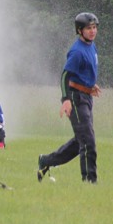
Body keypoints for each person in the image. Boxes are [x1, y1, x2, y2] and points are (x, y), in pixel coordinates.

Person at [37, 12, 101, 184]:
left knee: (81, 140)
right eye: (88, 28)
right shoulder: (77, 51)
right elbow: (65, 76)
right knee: (88, 142)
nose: (92, 31)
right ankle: (89, 182)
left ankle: (46, 161)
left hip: (86, 97)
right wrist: (66, 100)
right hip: (75, 99)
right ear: (79, 30)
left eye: (94, 27)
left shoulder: (91, 46)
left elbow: (83, 72)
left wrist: (89, 85)